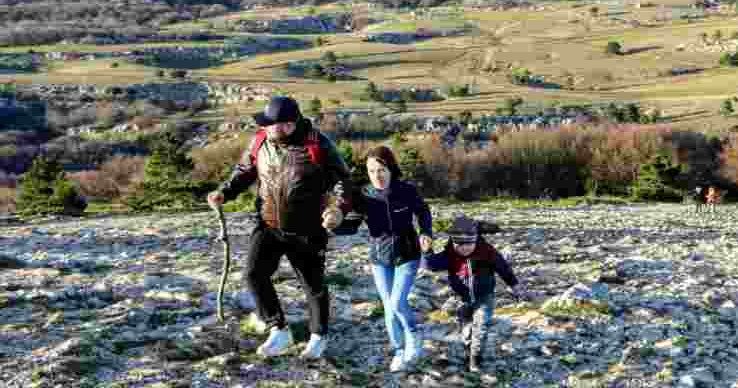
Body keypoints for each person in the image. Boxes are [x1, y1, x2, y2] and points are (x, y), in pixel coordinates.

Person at [206, 96, 351, 360]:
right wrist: (224, 193)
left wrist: (338, 209)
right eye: (272, 124)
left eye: (284, 124)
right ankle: (279, 330)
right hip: (268, 224)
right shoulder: (260, 141)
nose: (277, 129)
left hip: (307, 229)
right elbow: (245, 171)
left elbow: (342, 182)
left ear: (296, 122)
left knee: (312, 285)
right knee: (253, 274)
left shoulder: (318, 145)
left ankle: (318, 336)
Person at [333, 145, 433, 372]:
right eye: (371, 171)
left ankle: (414, 336)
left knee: (398, 302)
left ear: (390, 169)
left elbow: (423, 212)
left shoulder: (406, 190)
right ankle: (399, 350)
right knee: (389, 307)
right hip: (379, 258)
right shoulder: (364, 196)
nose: (377, 176)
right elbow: (351, 226)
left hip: (408, 253)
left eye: (381, 170)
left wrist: (426, 232)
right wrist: (334, 225)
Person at [423, 215, 523, 373]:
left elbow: (502, 267)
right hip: (461, 299)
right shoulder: (449, 254)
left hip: (485, 297)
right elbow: (432, 266)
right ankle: (468, 351)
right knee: (467, 331)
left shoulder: (487, 251)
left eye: (469, 243)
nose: (464, 248)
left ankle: (475, 360)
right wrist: (427, 251)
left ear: (475, 239)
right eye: (459, 244)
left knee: (481, 326)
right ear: (452, 241)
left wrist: (514, 285)